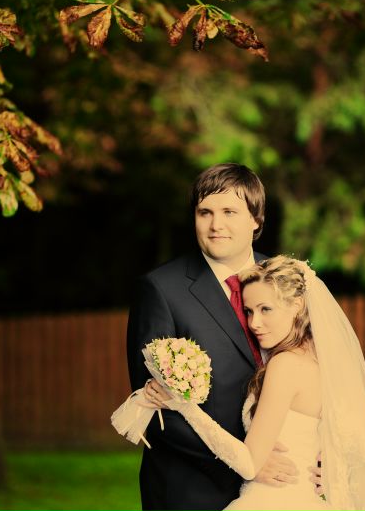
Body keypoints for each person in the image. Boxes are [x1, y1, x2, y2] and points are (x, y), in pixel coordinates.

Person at [145, 256, 365, 511]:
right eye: (249, 311)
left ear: (297, 305)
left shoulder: (285, 364)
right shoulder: (320, 360)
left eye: (266, 309)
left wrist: (185, 407)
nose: (254, 323)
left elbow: (250, 463)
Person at [127, 164, 301, 511]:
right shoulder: (161, 289)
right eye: (205, 212)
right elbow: (155, 408)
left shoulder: (287, 279)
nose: (215, 224)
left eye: (229, 212)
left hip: (284, 484)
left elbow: (320, 372)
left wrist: (326, 455)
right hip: (192, 490)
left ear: (256, 219)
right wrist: (245, 462)